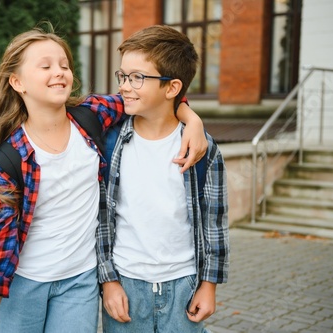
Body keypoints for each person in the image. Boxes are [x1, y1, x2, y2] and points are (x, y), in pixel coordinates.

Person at [0, 24, 208, 333]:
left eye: (64, 65)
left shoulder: (90, 117)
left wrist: (192, 119)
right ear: (18, 82)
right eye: (45, 66)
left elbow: (152, 98)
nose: (59, 71)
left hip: (80, 284)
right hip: (23, 285)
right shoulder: (11, 159)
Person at [99, 25, 230, 333]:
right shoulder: (109, 142)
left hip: (184, 286)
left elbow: (215, 221)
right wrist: (108, 281)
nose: (125, 86)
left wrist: (209, 284)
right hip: (126, 286)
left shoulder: (203, 149)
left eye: (137, 78)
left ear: (172, 88)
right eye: (122, 76)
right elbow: (100, 218)